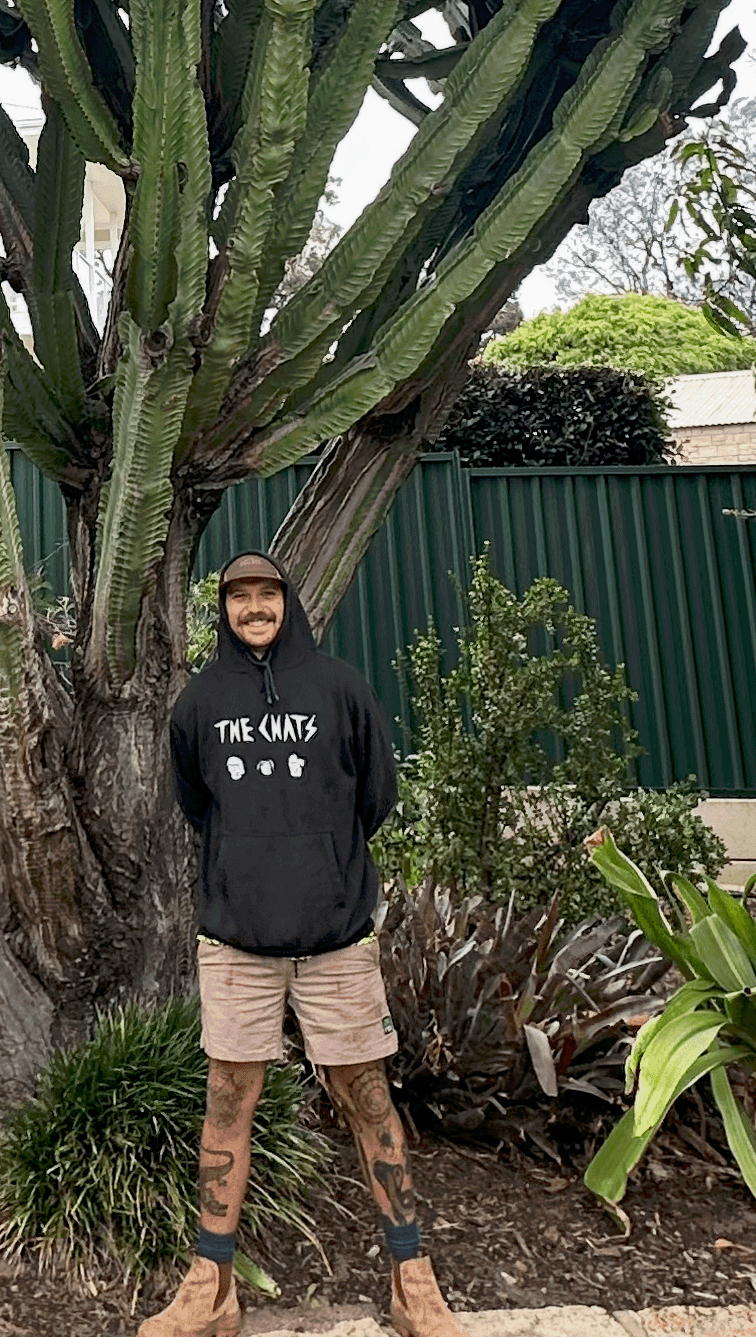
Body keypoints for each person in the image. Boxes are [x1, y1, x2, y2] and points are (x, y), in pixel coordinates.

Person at [139, 550, 464, 1337]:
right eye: (239, 596)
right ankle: (210, 1287)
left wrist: (318, 860)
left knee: (368, 1098)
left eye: (267, 593)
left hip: (336, 942)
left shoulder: (341, 689)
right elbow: (197, 805)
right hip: (236, 945)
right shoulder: (198, 704)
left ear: (289, 602)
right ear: (223, 608)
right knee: (228, 1101)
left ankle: (412, 1280)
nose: (254, 607)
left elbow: (375, 796)